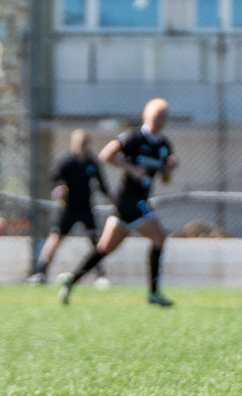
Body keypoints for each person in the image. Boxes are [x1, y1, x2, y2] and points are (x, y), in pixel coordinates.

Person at [57, 98, 178, 306]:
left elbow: (165, 179)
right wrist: (131, 169)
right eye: (156, 116)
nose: (159, 121)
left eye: (163, 117)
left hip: (137, 202)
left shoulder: (164, 145)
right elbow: (106, 155)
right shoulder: (134, 138)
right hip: (129, 200)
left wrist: (169, 169)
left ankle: (72, 279)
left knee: (104, 248)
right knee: (160, 236)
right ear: (145, 115)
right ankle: (154, 292)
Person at [27, 128, 110, 285]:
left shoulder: (91, 163)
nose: (81, 147)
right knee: (55, 237)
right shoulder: (66, 162)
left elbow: (102, 185)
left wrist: (112, 198)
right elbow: (54, 180)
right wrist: (58, 188)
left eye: (84, 144)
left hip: (85, 207)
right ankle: (40, 272)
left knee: (96, 241)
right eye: (78, 143)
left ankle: (101, 275)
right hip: (68, 208)